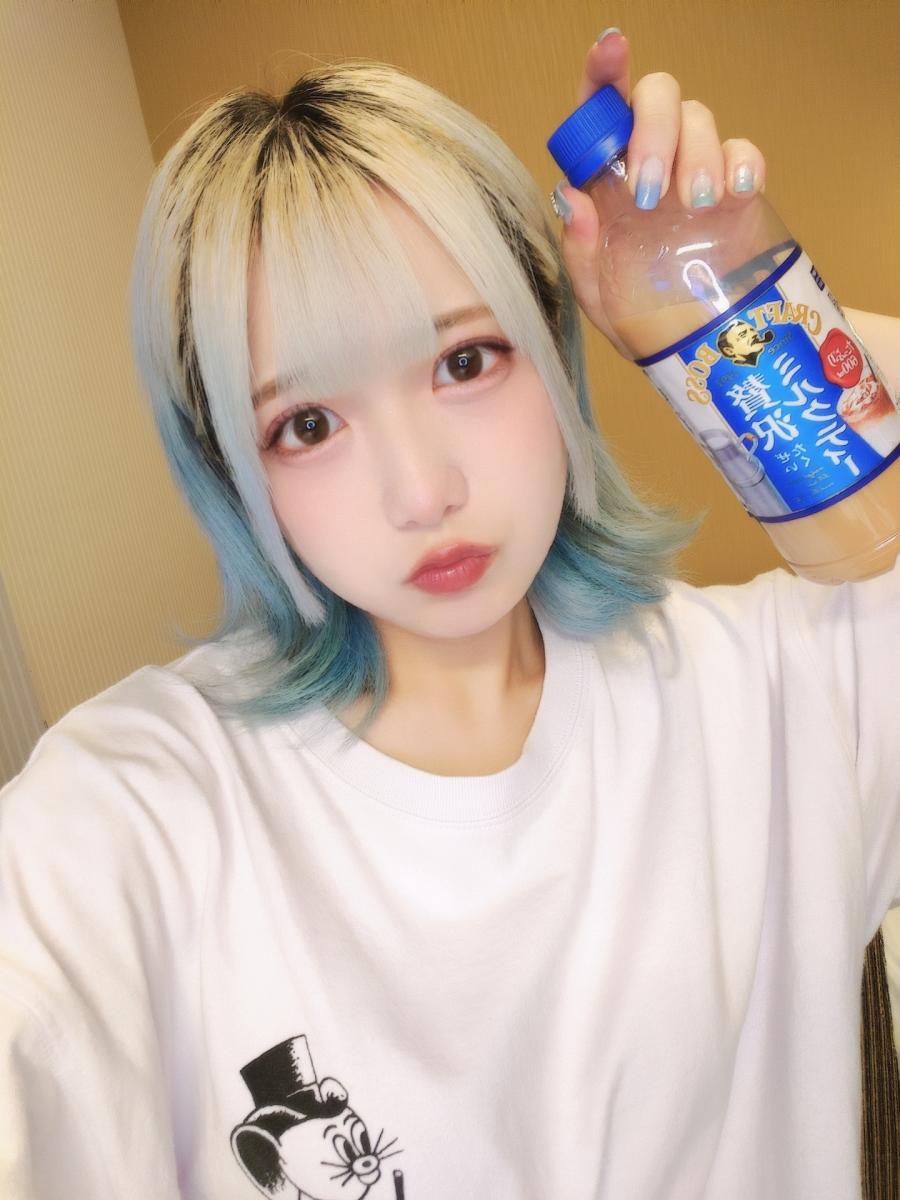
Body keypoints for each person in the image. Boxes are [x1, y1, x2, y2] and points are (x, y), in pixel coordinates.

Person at [1, 28, 897, 1200]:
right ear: (232, 471)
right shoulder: (134, 809)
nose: (422, 492)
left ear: (553, 347)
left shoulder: (782, 689)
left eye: (466, 362)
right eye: (307, 426)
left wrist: (732, 294)